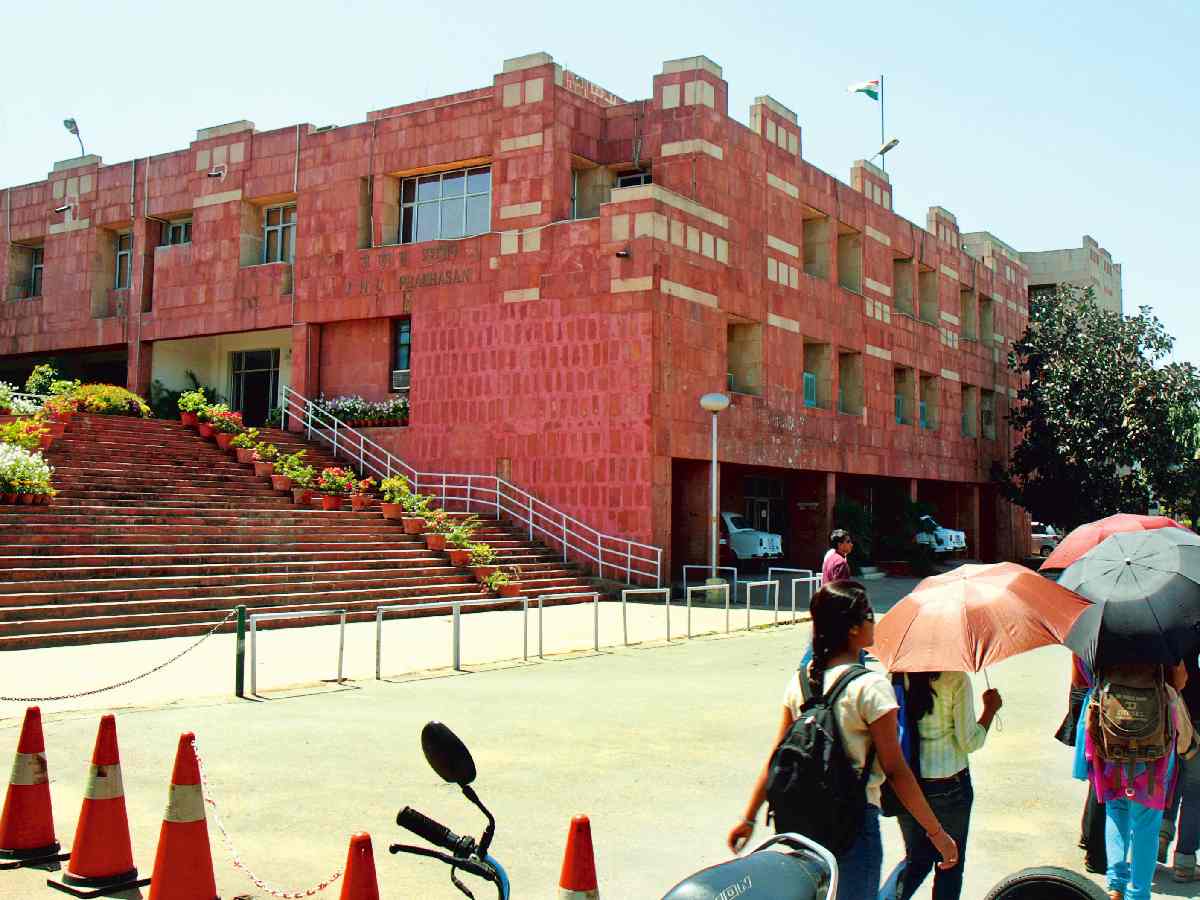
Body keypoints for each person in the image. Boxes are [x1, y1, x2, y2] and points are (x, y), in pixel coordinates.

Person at [727, 580, 957, 899]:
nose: (874, 620)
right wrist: (936, 833)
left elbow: (776, 757)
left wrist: (749, 819)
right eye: (868, 615)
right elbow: (896, 771)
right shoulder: (870, 687)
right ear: (851, 628)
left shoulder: (802, 683)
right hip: (854, 827)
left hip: (800, 826)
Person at [1078, 660, 1189, 900]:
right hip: (1154, 744)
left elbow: (1083, 677)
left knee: (1116, 809)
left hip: (1111, 738)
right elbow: (1179, 680)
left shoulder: (1100, 630)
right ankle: (1138, 894)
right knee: (1147, 823)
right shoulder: (1163, 630)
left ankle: (1116, 885)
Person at [891, 670, 1002, 900]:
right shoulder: (955, 678)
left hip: (908, 786)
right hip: (949, 785)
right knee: (950, 863)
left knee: (916, 860)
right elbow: (969, 741)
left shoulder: (895, 677)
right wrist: (990, 710)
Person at [1160, 651, 1200, 880]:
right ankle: (1184, 862)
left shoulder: (1181, 619)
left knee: (1174, 775)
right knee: (1196, 791)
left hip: (1176, 710)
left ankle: (1160, 837)